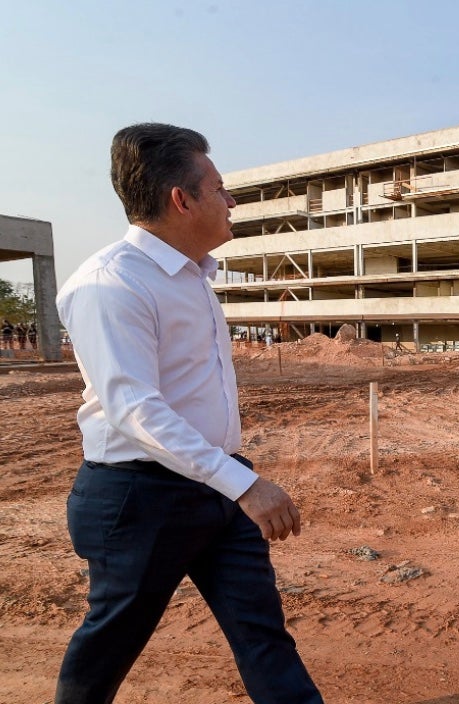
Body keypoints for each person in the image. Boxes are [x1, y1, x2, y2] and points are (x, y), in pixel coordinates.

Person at [55, 123, 323, 704]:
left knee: (263, 637)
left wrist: (231, 480)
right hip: (141, 497)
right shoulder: (111, 284)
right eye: (221, 188)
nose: (232, 201)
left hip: (216, 486)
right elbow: (134, 408)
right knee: (107, 649)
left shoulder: (194, 277)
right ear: (182, 200)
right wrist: (244, 485)